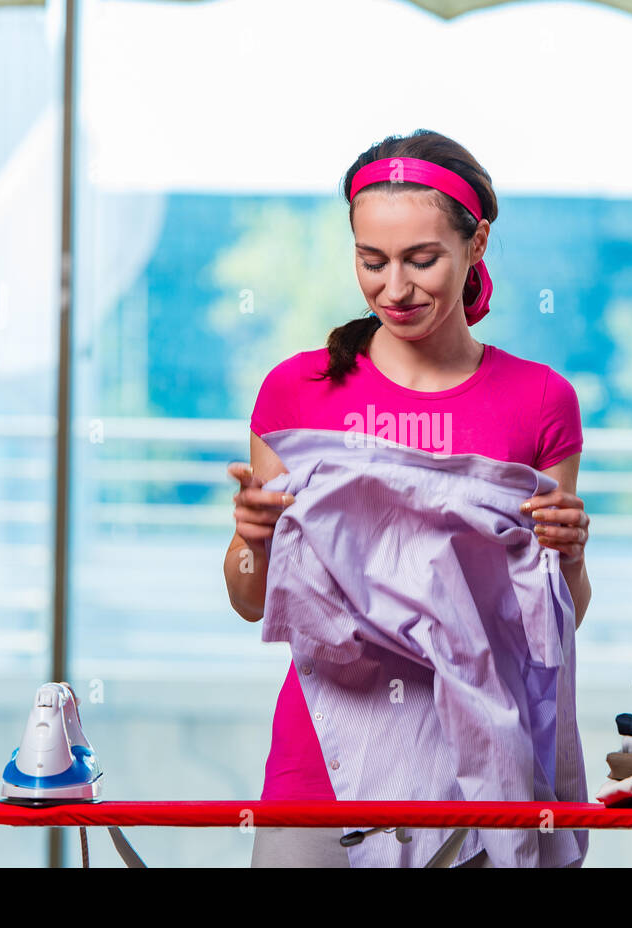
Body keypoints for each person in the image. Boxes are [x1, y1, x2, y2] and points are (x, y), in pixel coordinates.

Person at [222, 129, 592, 867]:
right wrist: (252, 541)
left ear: (476, 242)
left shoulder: (540, 400)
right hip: (319, 758)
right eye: (372, 261)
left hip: (476, 756)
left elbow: (560, 615)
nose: (395, 287)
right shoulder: (297, 391)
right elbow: (250, 599)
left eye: (422, 260)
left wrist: (569, 554)